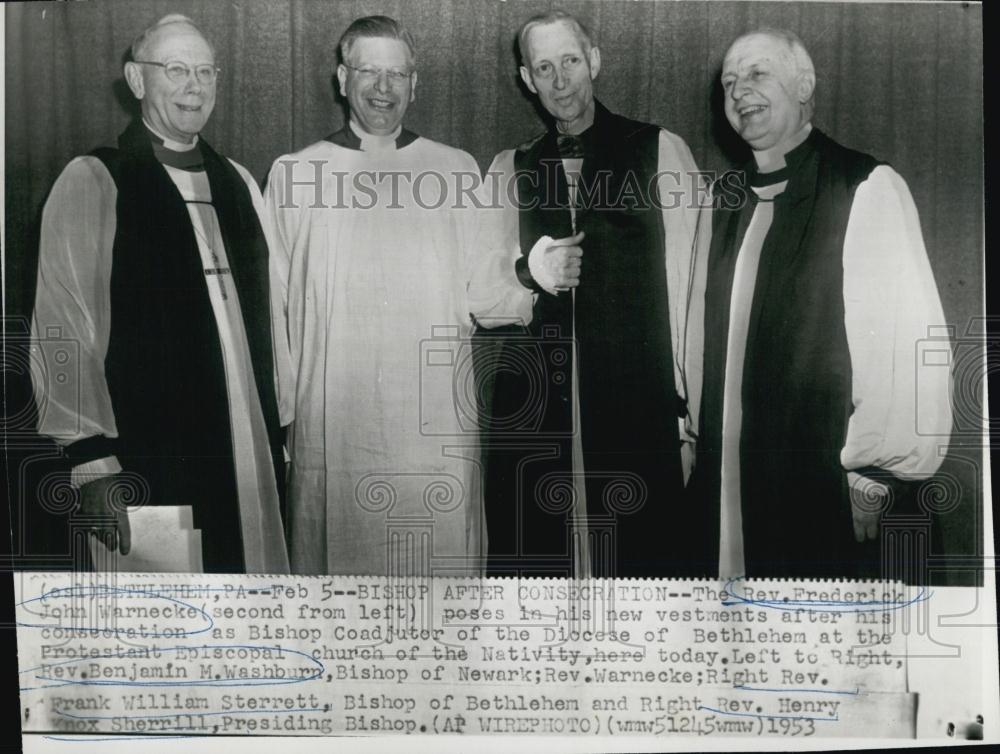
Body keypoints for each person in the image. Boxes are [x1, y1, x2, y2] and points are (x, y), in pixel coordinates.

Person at [31, 14, 291, 574]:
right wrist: (91, 459)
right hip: (145, 449)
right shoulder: (95, 179)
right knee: (168, 627)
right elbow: (62, 324)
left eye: (205, 71)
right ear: (136, 79)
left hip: (246, 443)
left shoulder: (238, 182)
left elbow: (274, 322)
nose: (194, 86)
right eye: (175, 70)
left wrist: (282, 432)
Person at [692, 29, 953, 579]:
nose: (740, 92)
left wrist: (876, 472)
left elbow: (904, 339)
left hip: (826, 476)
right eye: (729, 82)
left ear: (804, 84)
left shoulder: (862, 186)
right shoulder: (725, 200)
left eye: (757, 74)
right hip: (727, 477)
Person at [469, 10, 704, 577]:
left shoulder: (658, 151)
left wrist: (688, 415)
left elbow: (693, 292)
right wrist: (529, 273)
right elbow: (480, 294)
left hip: (636, 405)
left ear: (594, 60)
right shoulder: (509, 167)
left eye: (570, 61)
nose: (560, 80)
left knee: (640, 571)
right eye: (543, 67)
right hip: (536, 412)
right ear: (527, 79)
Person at [265, 16, 483, 576]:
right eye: (368, 71)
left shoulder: (456, 171)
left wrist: (532, 273)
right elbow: (275, 303)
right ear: (342, 78)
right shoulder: (295, 175)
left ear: (416, 83)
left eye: (397, 74)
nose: (382, 88)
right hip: (333, 424)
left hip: (433, 424)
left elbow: (486, 293)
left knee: (438, 584)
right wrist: (284, 416)